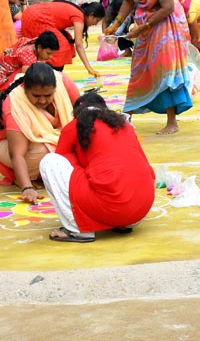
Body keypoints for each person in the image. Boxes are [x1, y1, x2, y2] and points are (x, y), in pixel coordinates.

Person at [105, 0, 193, 135]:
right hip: (145, 24)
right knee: (138, 68)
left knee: (165, 69)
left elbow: (168, 7)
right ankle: (126, 118)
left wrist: (142, 27)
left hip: (165, 23)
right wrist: (116, 24)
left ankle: (172, 122)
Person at [40, 91, 156, 243]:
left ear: (77, 114)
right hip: (140, 211)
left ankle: (77, 230)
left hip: (110, 206)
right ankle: (122, 224)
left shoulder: (74, 126)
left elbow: (61, 161)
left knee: (49, 161)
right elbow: (148, 170)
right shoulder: (125, 126)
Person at [0, 61, 79, 195]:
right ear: (25, 90)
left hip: (41, 140)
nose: (42, 101)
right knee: (48, 151)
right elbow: (17, 153)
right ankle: (22, 176)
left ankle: (37, 173)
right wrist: (26, 187)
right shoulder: (15, 104)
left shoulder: (64, 83)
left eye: (48, 95)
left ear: (55, 88)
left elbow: (84, 115)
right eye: (36, 96)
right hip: (9, 147)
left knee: (79, 140)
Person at [19, 0, 105, 76]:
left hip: (32, 13)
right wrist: (89, 68)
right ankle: (50, 75)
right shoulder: (79, 16)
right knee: (61, 47)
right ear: (91, 15)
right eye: (96, 21)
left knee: (66, 39)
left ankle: (48, 72)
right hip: (37, 18)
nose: (95, 24)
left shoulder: (76, 10)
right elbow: (79, 44)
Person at [0, 31, 61, 97]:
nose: (50, 57)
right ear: (39, 47)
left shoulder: (31, 41)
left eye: (52, 54)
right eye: (48, 53)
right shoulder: (28, 57)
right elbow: (24, 80)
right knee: (33, 73)